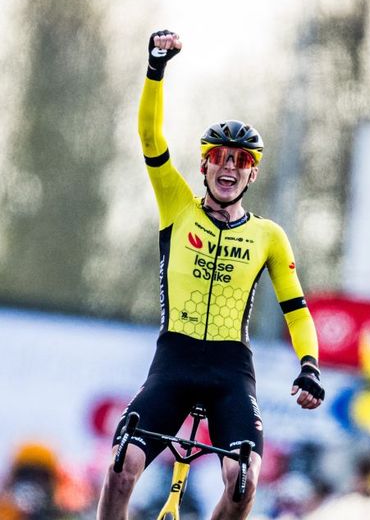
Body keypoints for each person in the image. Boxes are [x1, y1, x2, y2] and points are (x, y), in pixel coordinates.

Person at [96, 30, 325, 520]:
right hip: (174, 360)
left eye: (241, 160)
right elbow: (150, 138)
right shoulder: (177, 207)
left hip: (230, 371)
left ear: (253, 174)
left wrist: (309, 365)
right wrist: (156, 67)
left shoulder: (268, 235)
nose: (229, 167)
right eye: (219, 157)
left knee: (243, 478)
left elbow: (297, 311)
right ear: (204, 164)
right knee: (123, 465)